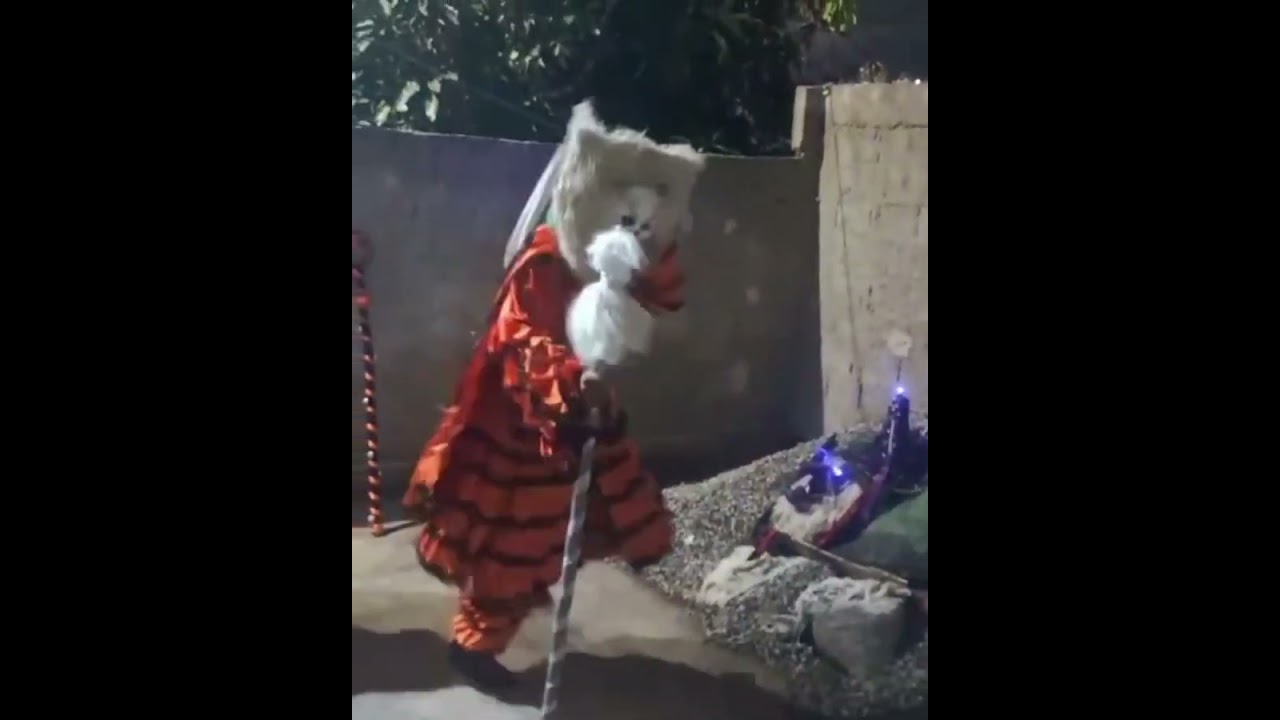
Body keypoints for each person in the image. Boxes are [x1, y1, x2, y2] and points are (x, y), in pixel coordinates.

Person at [403, 101, 706, 689]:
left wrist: (646, 253)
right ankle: (475, 646)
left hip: (576, 426)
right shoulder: (542, 265)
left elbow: (660, 293)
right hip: (522, 434)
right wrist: (571, 386)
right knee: (508, 551)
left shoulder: (609, 259)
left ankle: (484, 636)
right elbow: (523, 342)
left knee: (553, 541)